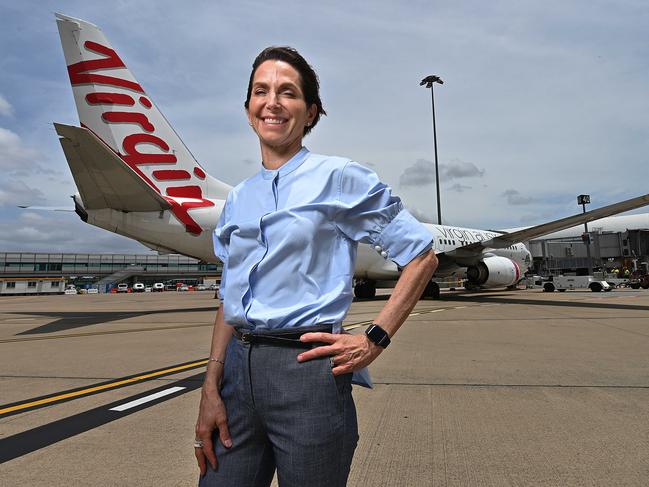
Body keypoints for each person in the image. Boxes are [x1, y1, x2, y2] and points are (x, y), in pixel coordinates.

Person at [194, 46, 438, 487]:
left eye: (287, 93)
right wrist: (211, 386)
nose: (272, 102)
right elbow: (229, 299)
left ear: (310, 113)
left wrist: (374, 339)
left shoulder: (339, 177)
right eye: (260, 91)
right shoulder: (238, 199)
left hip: (305, 371)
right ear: (249, 108)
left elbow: (421, 255)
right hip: (236, 374)